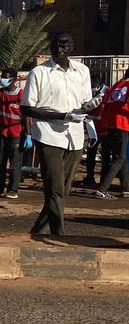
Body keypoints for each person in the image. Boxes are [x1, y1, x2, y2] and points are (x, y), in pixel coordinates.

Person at [21, 31, 95, 236]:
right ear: (50, 47)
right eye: (57, 44)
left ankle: (38, 231)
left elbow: (84, 103)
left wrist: (89, 107)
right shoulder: (39, 73)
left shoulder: (82, 71)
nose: (61, 48)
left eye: (65, 44)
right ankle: (58, 234)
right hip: (49, 135)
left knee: (63, 189)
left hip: (75, 137)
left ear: (72, 47)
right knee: (54, 188)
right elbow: (27, 108)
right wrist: (63, 116)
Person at [0, 68, 29, 199]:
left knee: (15, 163)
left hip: (16, 133)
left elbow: (26, 116)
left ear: (14, 79)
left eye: (6, 77)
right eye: (2, 76)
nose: (3, 79)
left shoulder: (21, 95)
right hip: (1, 131)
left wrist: (28, 134)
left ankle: (13, 189)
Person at [95, 67, 129, 198]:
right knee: (119, 158)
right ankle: (103, 189)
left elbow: (106, 104)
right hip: (123, 124)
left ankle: (126, 187)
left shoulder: (116, 86)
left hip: (111, 124)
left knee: (121, 156)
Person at [80, 76, 110, 187]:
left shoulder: (107, 92)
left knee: (106, 156)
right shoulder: (90, 93)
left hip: (105, 129)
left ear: (98, 85)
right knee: (90, 154)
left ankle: (104, 181)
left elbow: (90, 106)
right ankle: (89, 178)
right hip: (93, 129)